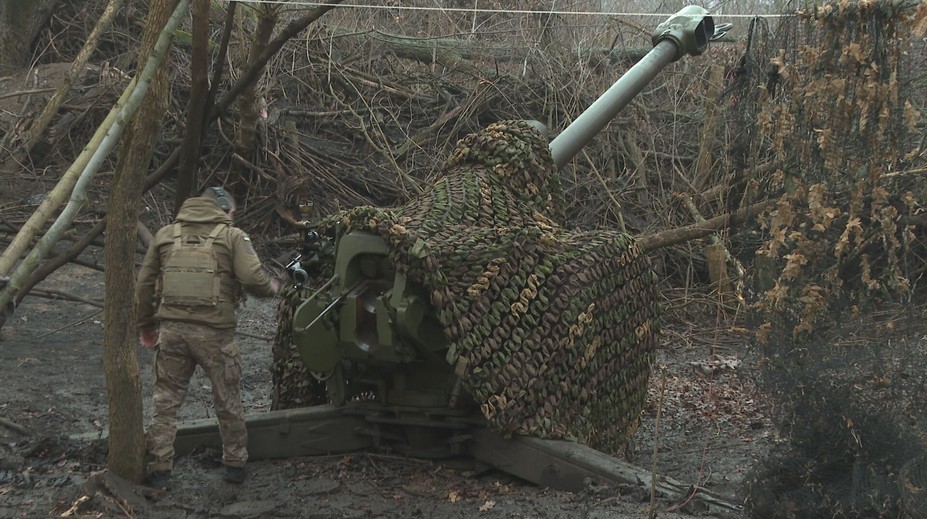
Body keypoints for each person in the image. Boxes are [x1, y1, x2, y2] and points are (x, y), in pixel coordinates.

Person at [136, 187, 282, 487]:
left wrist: (147, 326)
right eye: (232, 213)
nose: (232, 217)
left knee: (165, 403)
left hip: (172, 332)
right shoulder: (232, 237)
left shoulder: (165, 234)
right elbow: (254, 280)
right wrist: (275, 287)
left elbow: (145, 285)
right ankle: (235, 465)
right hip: (215, 334)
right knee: (227, 400)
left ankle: (161, 469)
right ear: (224, 209)